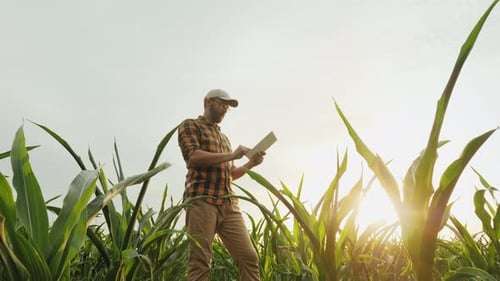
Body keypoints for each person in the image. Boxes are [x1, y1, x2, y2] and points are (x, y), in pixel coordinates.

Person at [177, 89, 265, 281]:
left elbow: (231, 173)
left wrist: (251, 164)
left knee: (249, 257)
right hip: (202, 201)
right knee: (200, 262)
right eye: (222, 103)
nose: (225, 109)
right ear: (208, 102)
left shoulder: (224, 139)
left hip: (228, 204)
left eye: (228, 106)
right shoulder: (190, 125)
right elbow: (193, 158)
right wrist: (233, 155)